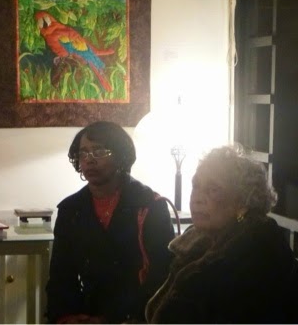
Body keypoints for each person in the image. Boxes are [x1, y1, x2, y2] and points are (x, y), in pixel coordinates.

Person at [145, 145, 298, 324]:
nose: (197, 198)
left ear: (242, 201)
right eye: (196, 186)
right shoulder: (195, 239)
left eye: (213, 189)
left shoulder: (257, 252)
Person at [46, 121, 175, 324]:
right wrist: (67, 317)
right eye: (83, 153)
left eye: (99, 151)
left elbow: (162, 274)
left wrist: (112, 319)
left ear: (120, 155)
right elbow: (61, 275)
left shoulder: (149, 205)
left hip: (139, 314)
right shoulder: (71, 209)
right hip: (87, 312)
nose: (89, 160)